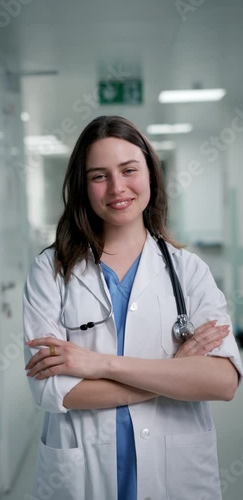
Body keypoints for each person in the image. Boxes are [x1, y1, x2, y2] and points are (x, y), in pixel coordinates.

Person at [23, 115, 242, 500]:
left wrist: (100, 365)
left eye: (129, 170)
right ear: (83, 186)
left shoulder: (189, 271)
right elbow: (55, 390)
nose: (117, 187)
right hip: (84, 473)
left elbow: (223, 383)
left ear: (151, 175)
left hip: (176, 474)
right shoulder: (51, 270)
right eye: (98, 176)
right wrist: (176, 376)